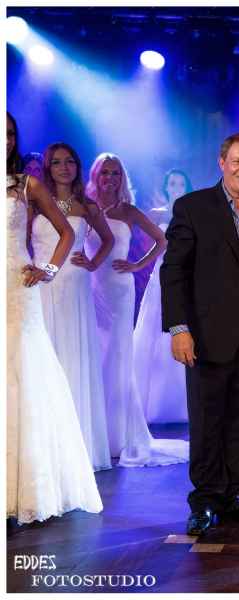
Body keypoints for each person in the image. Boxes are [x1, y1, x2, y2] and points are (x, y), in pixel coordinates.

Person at [161, 133, 239, 536]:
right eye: (237, 161)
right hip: (206, 335)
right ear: (222, 162)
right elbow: (173, 271)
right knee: (207, 421)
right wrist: (179, 328)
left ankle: (234, 498)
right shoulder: (194, 207)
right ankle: (204, 500)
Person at [6, 112, 103, 524]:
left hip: (17, 287)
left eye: (11, 134)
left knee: (24, 377)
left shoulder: (26, 186)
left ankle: (25, 485)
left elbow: (67, 232)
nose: (6, 140)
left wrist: (48, 268)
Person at [84, 152, 188, 467]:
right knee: (93, 355)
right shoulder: (86, 207)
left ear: (122, 178)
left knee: (116, 356)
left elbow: (161, 241)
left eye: (116, 173)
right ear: (96, 175)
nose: (110, 178)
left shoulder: (128, 211)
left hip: (118, 289)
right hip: (88, 286)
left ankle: (118, 435)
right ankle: (94, 432)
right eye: (105, 172)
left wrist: (136, 265)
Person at [31, 142, 114, 471]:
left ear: (78, 167)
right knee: (45, 355)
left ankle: (78, 446)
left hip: (74, 285)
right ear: (47, 168)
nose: (64, 168)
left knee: (72, 356)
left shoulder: (86, 206)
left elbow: (108, 239)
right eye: (56, 162)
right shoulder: (35, 201)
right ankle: (45, 444)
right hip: (40, 282)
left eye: (69, 162)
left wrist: (92, 263)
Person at [133, 169, 193, 424]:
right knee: (155, 333)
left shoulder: (192, 214)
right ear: (166, 187)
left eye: (181, 183)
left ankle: (182, 404)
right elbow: (154, 245)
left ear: (186, 187)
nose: (176, 187)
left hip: (186, 278)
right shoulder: (156, 215)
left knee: (182, 333)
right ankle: (150, 403)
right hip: (160, 276)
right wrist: (137, 264)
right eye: (172, 183)